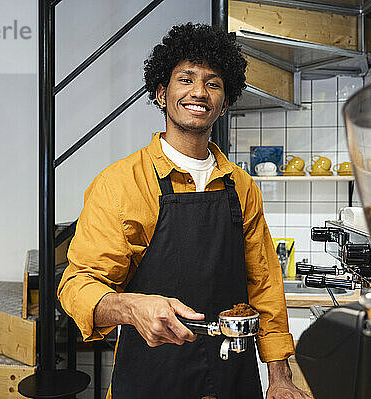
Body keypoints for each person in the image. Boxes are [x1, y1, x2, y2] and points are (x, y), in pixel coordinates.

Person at [57, 23, 310, 399]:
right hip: (151, 379)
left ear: (225, 103)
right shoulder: (120, 184)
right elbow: (77, 286)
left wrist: (280, 375)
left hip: (232, 381)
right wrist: (130, 307)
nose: (198, 92)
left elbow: (265, 286)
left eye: (212, 83)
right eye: (186, 79)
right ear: (162, 93)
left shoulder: (241, 187)